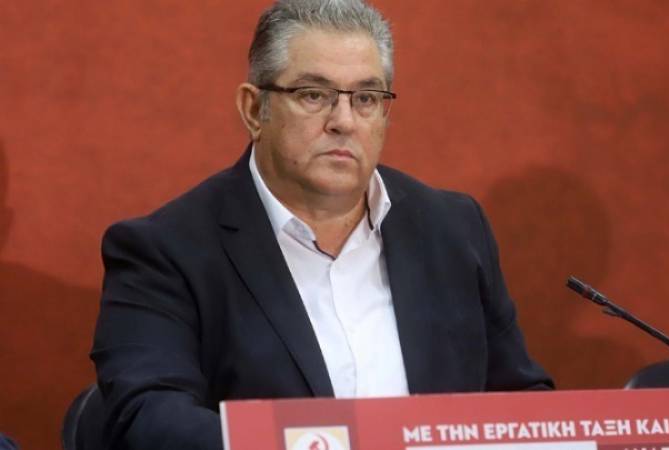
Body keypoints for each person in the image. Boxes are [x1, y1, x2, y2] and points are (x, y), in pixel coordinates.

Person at [91, 0, 553, 448]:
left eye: (366, 98)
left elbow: (519, 400)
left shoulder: (453, 230)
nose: (344, 121)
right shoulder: (165, 251)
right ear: (254, 109)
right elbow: (150, 418)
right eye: (314, 95)